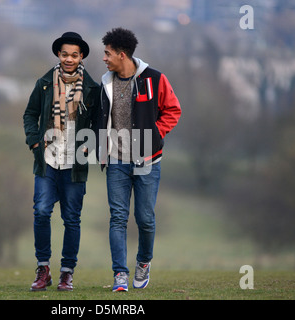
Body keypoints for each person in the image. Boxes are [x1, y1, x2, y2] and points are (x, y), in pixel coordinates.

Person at [94, 27, 182, 292]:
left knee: (145, 218)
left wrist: (156, 133)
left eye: (107, 53)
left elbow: (173, 109)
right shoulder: (105, 84)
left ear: (122, 55)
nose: (104, 58)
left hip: (147, 161)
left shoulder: (155, 79)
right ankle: (120, 274)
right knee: (118, 217)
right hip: (116, 162)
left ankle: (143, 262)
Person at [23, 32, 100, 291]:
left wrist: (91, 146)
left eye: (74, 55)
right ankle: (42, 268)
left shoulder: (92, 89)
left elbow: (101, 124)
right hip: (47, 161)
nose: (69, 59)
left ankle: (67, 272)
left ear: (81, 57)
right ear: (59, 54)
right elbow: (30, 114)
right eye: (65, 54)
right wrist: (34, 141)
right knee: (42, 212)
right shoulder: (44, 83)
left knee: (72, 219)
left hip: (75, 164)